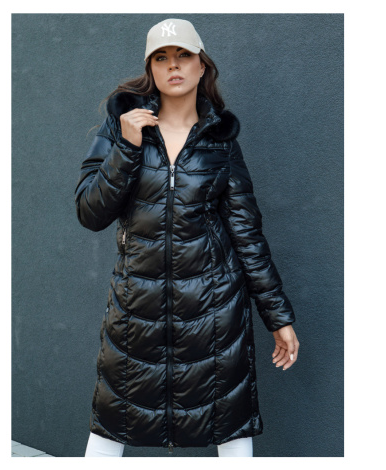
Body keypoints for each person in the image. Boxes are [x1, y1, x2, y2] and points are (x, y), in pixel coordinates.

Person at [74, 18, 300, 457]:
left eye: (183, 56)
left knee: (231, 427)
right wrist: (127, 148)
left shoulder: (221, 143)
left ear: (202, 67)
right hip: (136, 311)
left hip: (216, 314)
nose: (173, 65)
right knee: (110, 427)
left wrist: (278, 317)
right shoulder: (121, 128)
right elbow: (90, 212)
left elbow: (247, 237)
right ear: (151, 69)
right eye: (161, 57)